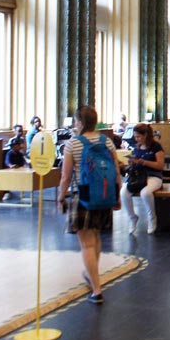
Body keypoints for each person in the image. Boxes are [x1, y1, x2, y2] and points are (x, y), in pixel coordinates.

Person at [57, 105, 121, 304]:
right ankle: (91, 275)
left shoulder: (73, 144)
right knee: (95, 237)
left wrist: (60, 197)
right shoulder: (107, 142)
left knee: (87, 244)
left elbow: (66, 176)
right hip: (104, 195)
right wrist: (116, 196)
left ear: (80, 122)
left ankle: (96, 288)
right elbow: (117, 173)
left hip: (83, 196)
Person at [120, 123, 165, 235]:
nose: (136, 139)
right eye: (135, 137)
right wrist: (131, 164)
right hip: (138, 176)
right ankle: (132, 217)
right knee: (123, 193)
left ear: (145, 135)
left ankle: (152, 217)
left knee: (145, 193)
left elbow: (160, 165)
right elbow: (134, 164)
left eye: (138, 136)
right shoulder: (137, 147)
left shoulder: (156, 147)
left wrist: (144, 162)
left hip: (154, 176)